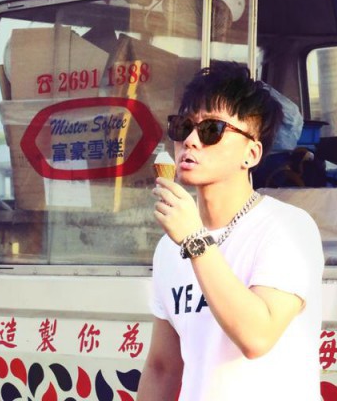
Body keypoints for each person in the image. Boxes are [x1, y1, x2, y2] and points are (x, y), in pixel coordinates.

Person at [137, 61, 324, 401]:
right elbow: (163, 367)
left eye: (211, 129)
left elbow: (257, 337)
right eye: (183, 126)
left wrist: (195, 240)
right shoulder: (170, 246)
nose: (190, 141)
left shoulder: (287, 227)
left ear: (251, 153)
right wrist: (190, 237)